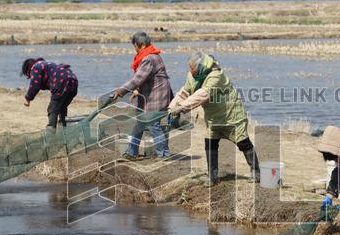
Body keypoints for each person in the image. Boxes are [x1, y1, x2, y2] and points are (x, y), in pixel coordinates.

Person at [167, 52, 259, 185]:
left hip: (231, 115)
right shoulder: (192, 76)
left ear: (201, 67)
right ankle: (212, 177)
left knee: (242, 142)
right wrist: (172, 107)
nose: (190, 70)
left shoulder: (216, 75)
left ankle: (256, 172)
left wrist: (181, 107)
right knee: (210, 143)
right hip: (213, 118)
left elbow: (203, 94)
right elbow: (185, 92)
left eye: (192, 68)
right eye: (189, 67)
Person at [110, 31, 174, 159]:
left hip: (156, 95)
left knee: (152, 123)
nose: (135, 50)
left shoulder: (149, 58)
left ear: (143, 45)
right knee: (140, 123)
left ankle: (164, 154)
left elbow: (137, 79)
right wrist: (136, 90)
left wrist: (121, 91)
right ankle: (131, 152)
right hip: (150, 94)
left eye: (136, 46)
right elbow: (144, 78)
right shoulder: (150, 56)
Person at [21, 57, 79, 130]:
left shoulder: (35, 67)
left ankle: (51, 130)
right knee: (62, 107)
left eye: (28, 76)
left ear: (27, 70)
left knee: (52, 109)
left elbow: (35, 84)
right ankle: (63, 127)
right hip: (73, 81)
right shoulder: (47, 64)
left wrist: (28, 98)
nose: (30, 77)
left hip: (61, 81)